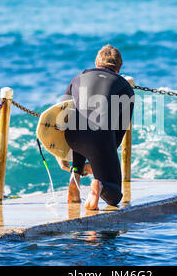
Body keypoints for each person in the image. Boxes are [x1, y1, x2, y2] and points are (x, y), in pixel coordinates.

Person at [56, 45, 134, 210]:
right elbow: (119, 134)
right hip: (100, 138)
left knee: (79, 121)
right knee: (114, 196)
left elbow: (61, 113)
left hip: (73, 136)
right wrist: (99, 159)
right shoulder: (125, 87)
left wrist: (58, 151)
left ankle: (75, 173)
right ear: (119, 68)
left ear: (96, 62)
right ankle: (99, 186)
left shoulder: (78, 77)